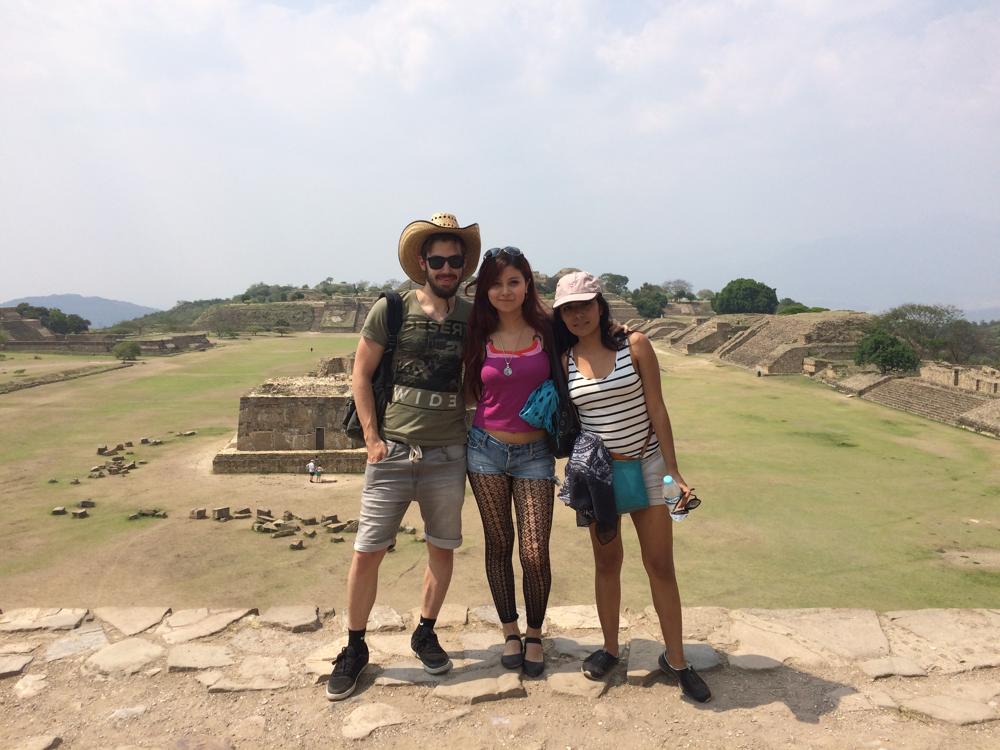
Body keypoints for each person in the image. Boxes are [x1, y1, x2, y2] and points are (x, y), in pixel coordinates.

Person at [326, 212, 481, 701]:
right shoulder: (390, 310)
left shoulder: (472, 317)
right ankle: (355, 647)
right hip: (393, 450)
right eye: (438, 259)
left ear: (463, 265)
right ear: (422, 262)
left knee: (442, 547)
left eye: (455, 261)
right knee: (368, 551)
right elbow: (360, 374)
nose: (447, 268)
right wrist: (372, 439)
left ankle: (425, 631)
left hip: (447, 452)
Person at [552, 271, 711, 703]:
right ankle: (608, 647)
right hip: (597, 475)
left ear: (600, 305)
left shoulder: (634, 345)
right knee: (608, 563)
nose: (578, 314)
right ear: (560, 315)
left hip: (647, 462)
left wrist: (674, 472)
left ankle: (676, 658)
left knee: (660, 564)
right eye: (568, 308)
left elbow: (657, 408)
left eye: (584, 304)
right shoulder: (564, 359)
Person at [462, 247, 556, 677]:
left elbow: (591, 333)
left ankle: (535, 633)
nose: (505, 290)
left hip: (534, 453)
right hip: (485, 450)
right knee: (499, 545)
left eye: (513, 281)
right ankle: (511, 631)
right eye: (496, 283)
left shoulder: (548, 330)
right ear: (486, 288)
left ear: (527, 284)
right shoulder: (476, 331)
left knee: (534, 553)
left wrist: (621, 330)